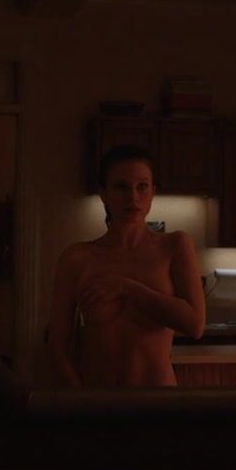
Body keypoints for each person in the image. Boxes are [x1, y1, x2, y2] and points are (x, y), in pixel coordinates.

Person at [47, 145, 206, 387]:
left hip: (160, 398)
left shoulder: (174, 245)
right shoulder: (78, 258)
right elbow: (57, 346)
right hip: (100, 397)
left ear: (153, 192)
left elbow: (195, 325)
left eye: (142, 186)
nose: (133, 197)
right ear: (104, 193)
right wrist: (80, 398)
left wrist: (127, 288)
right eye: (121, 187)